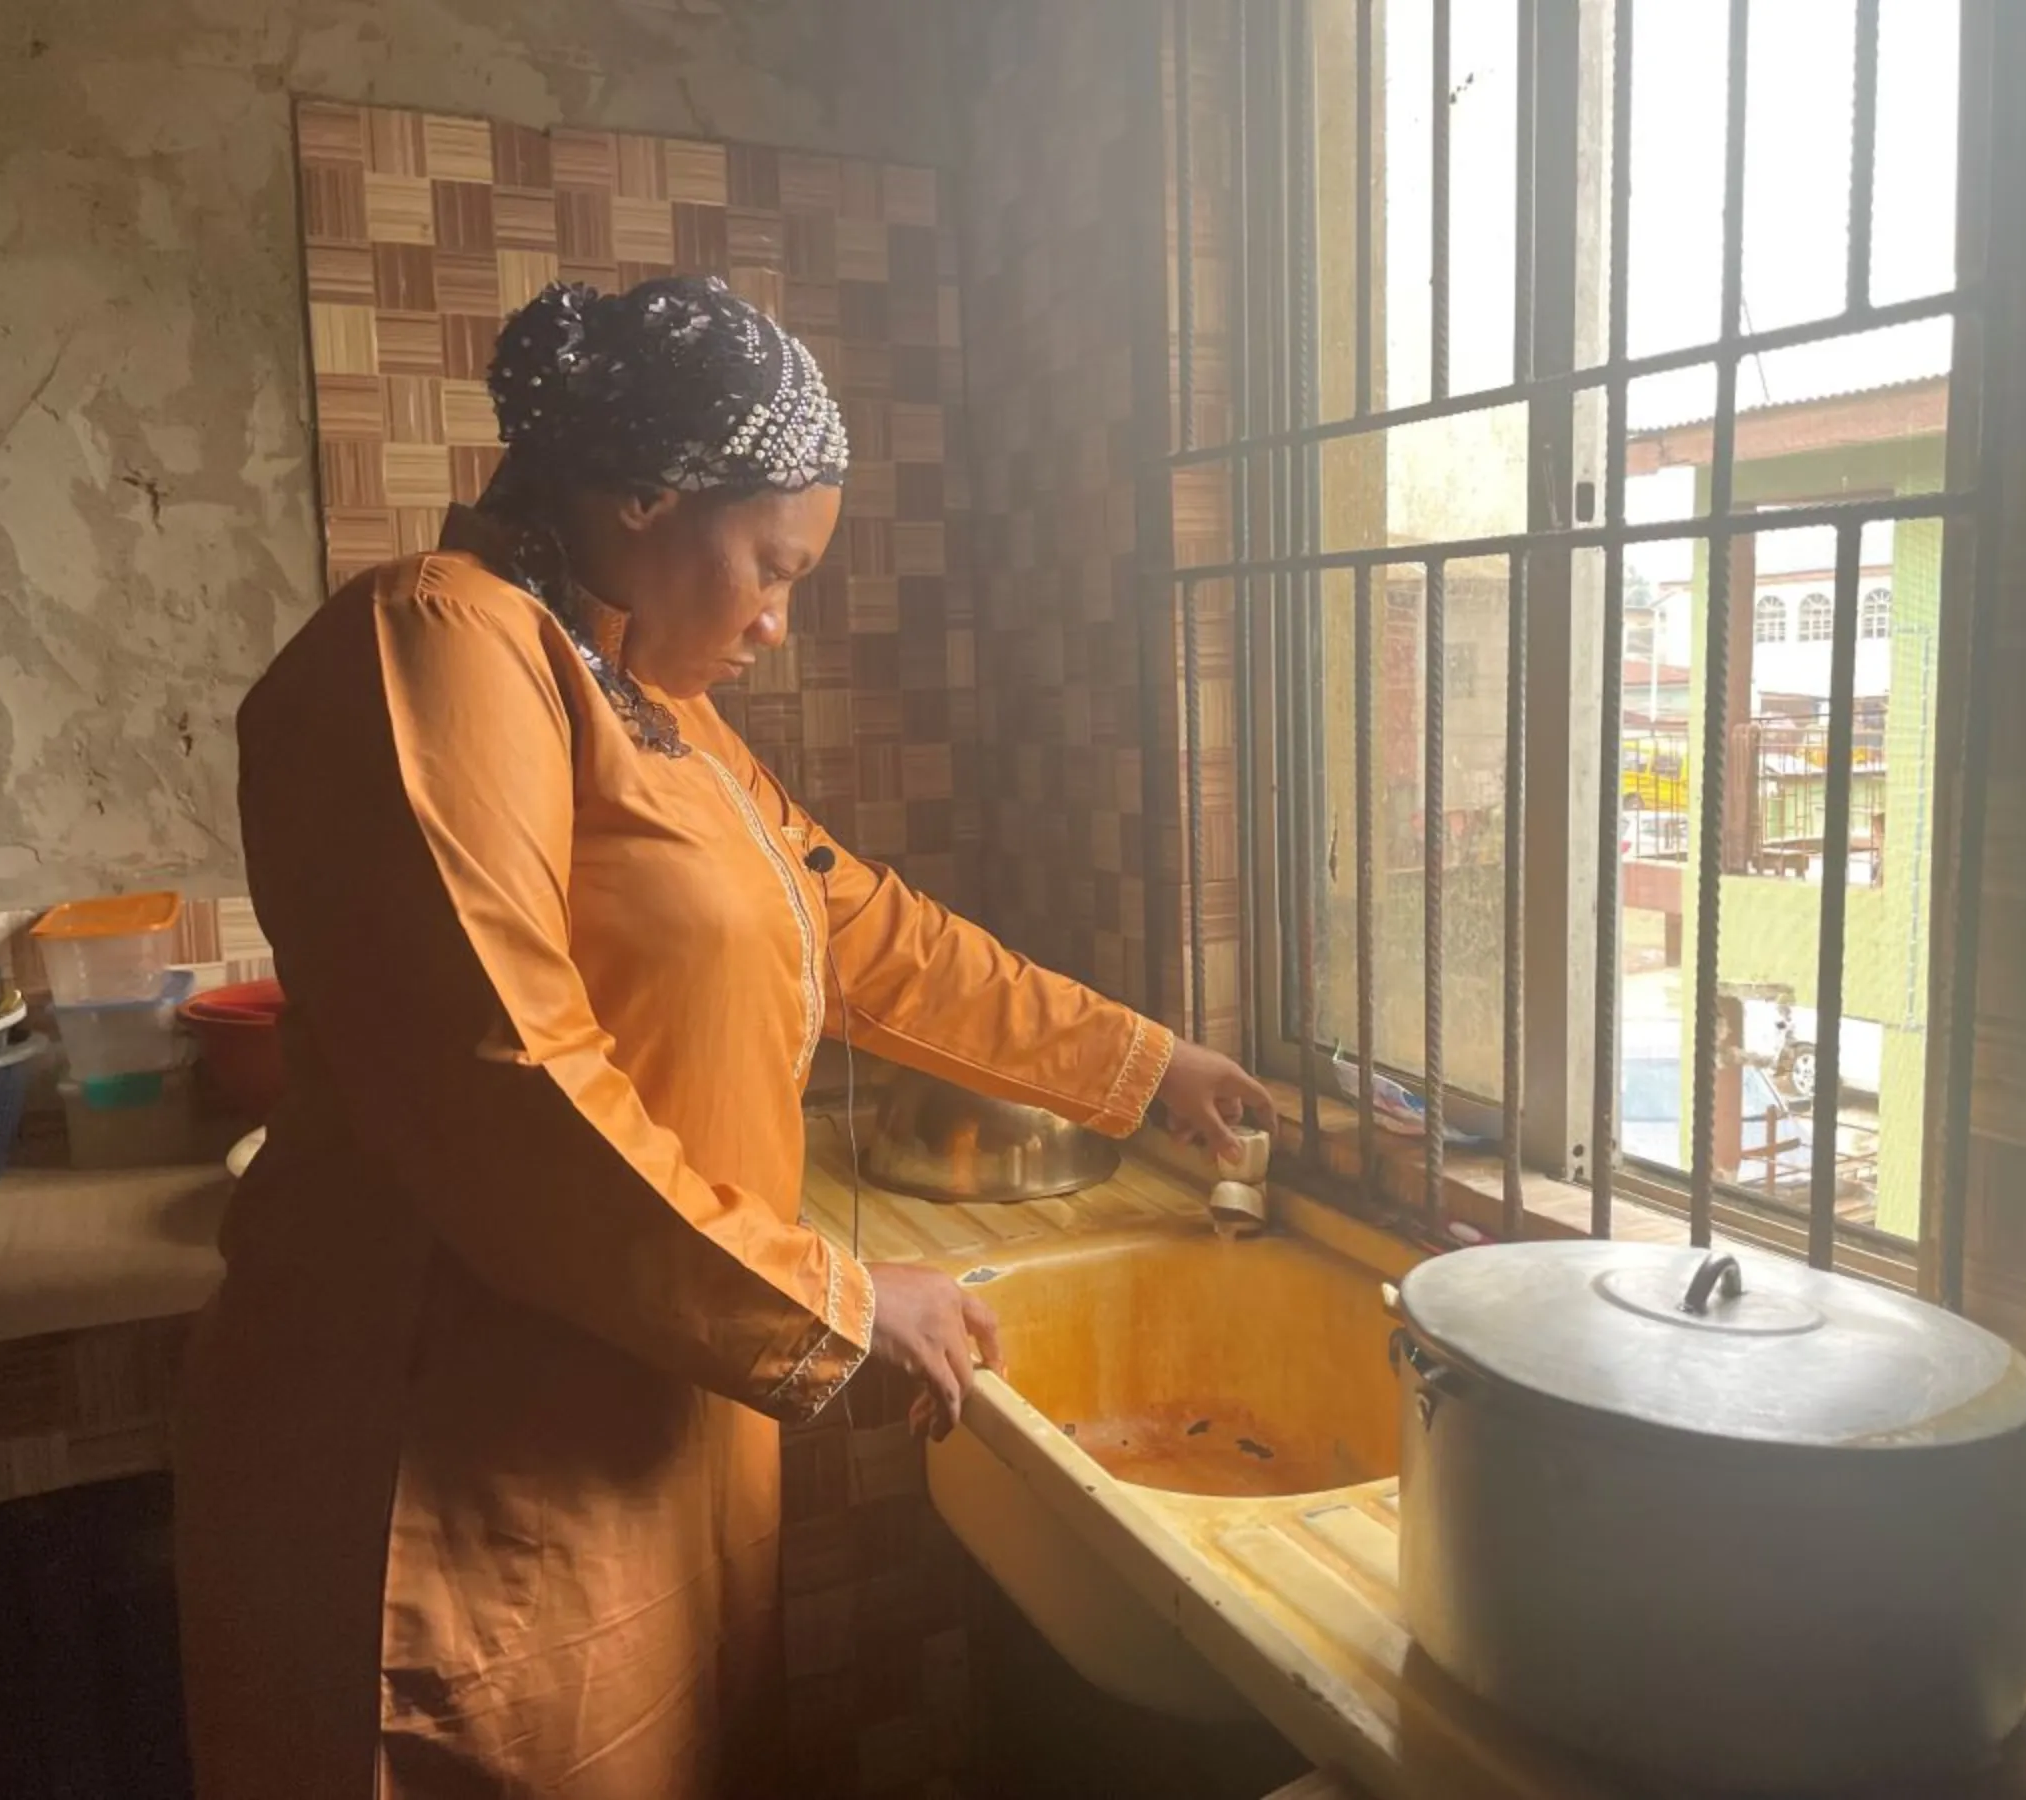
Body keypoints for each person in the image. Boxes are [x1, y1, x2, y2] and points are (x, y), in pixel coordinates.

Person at [171, 275, 1271, 1799]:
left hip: (638, 1414)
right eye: (769, 565)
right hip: (451, 1451)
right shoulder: (438, 645)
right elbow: (512, 1078)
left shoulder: (654, 715)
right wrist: (829, 1299)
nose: (775, 620)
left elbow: (870, 931)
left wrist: (1150, 1069)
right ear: (643, 498)